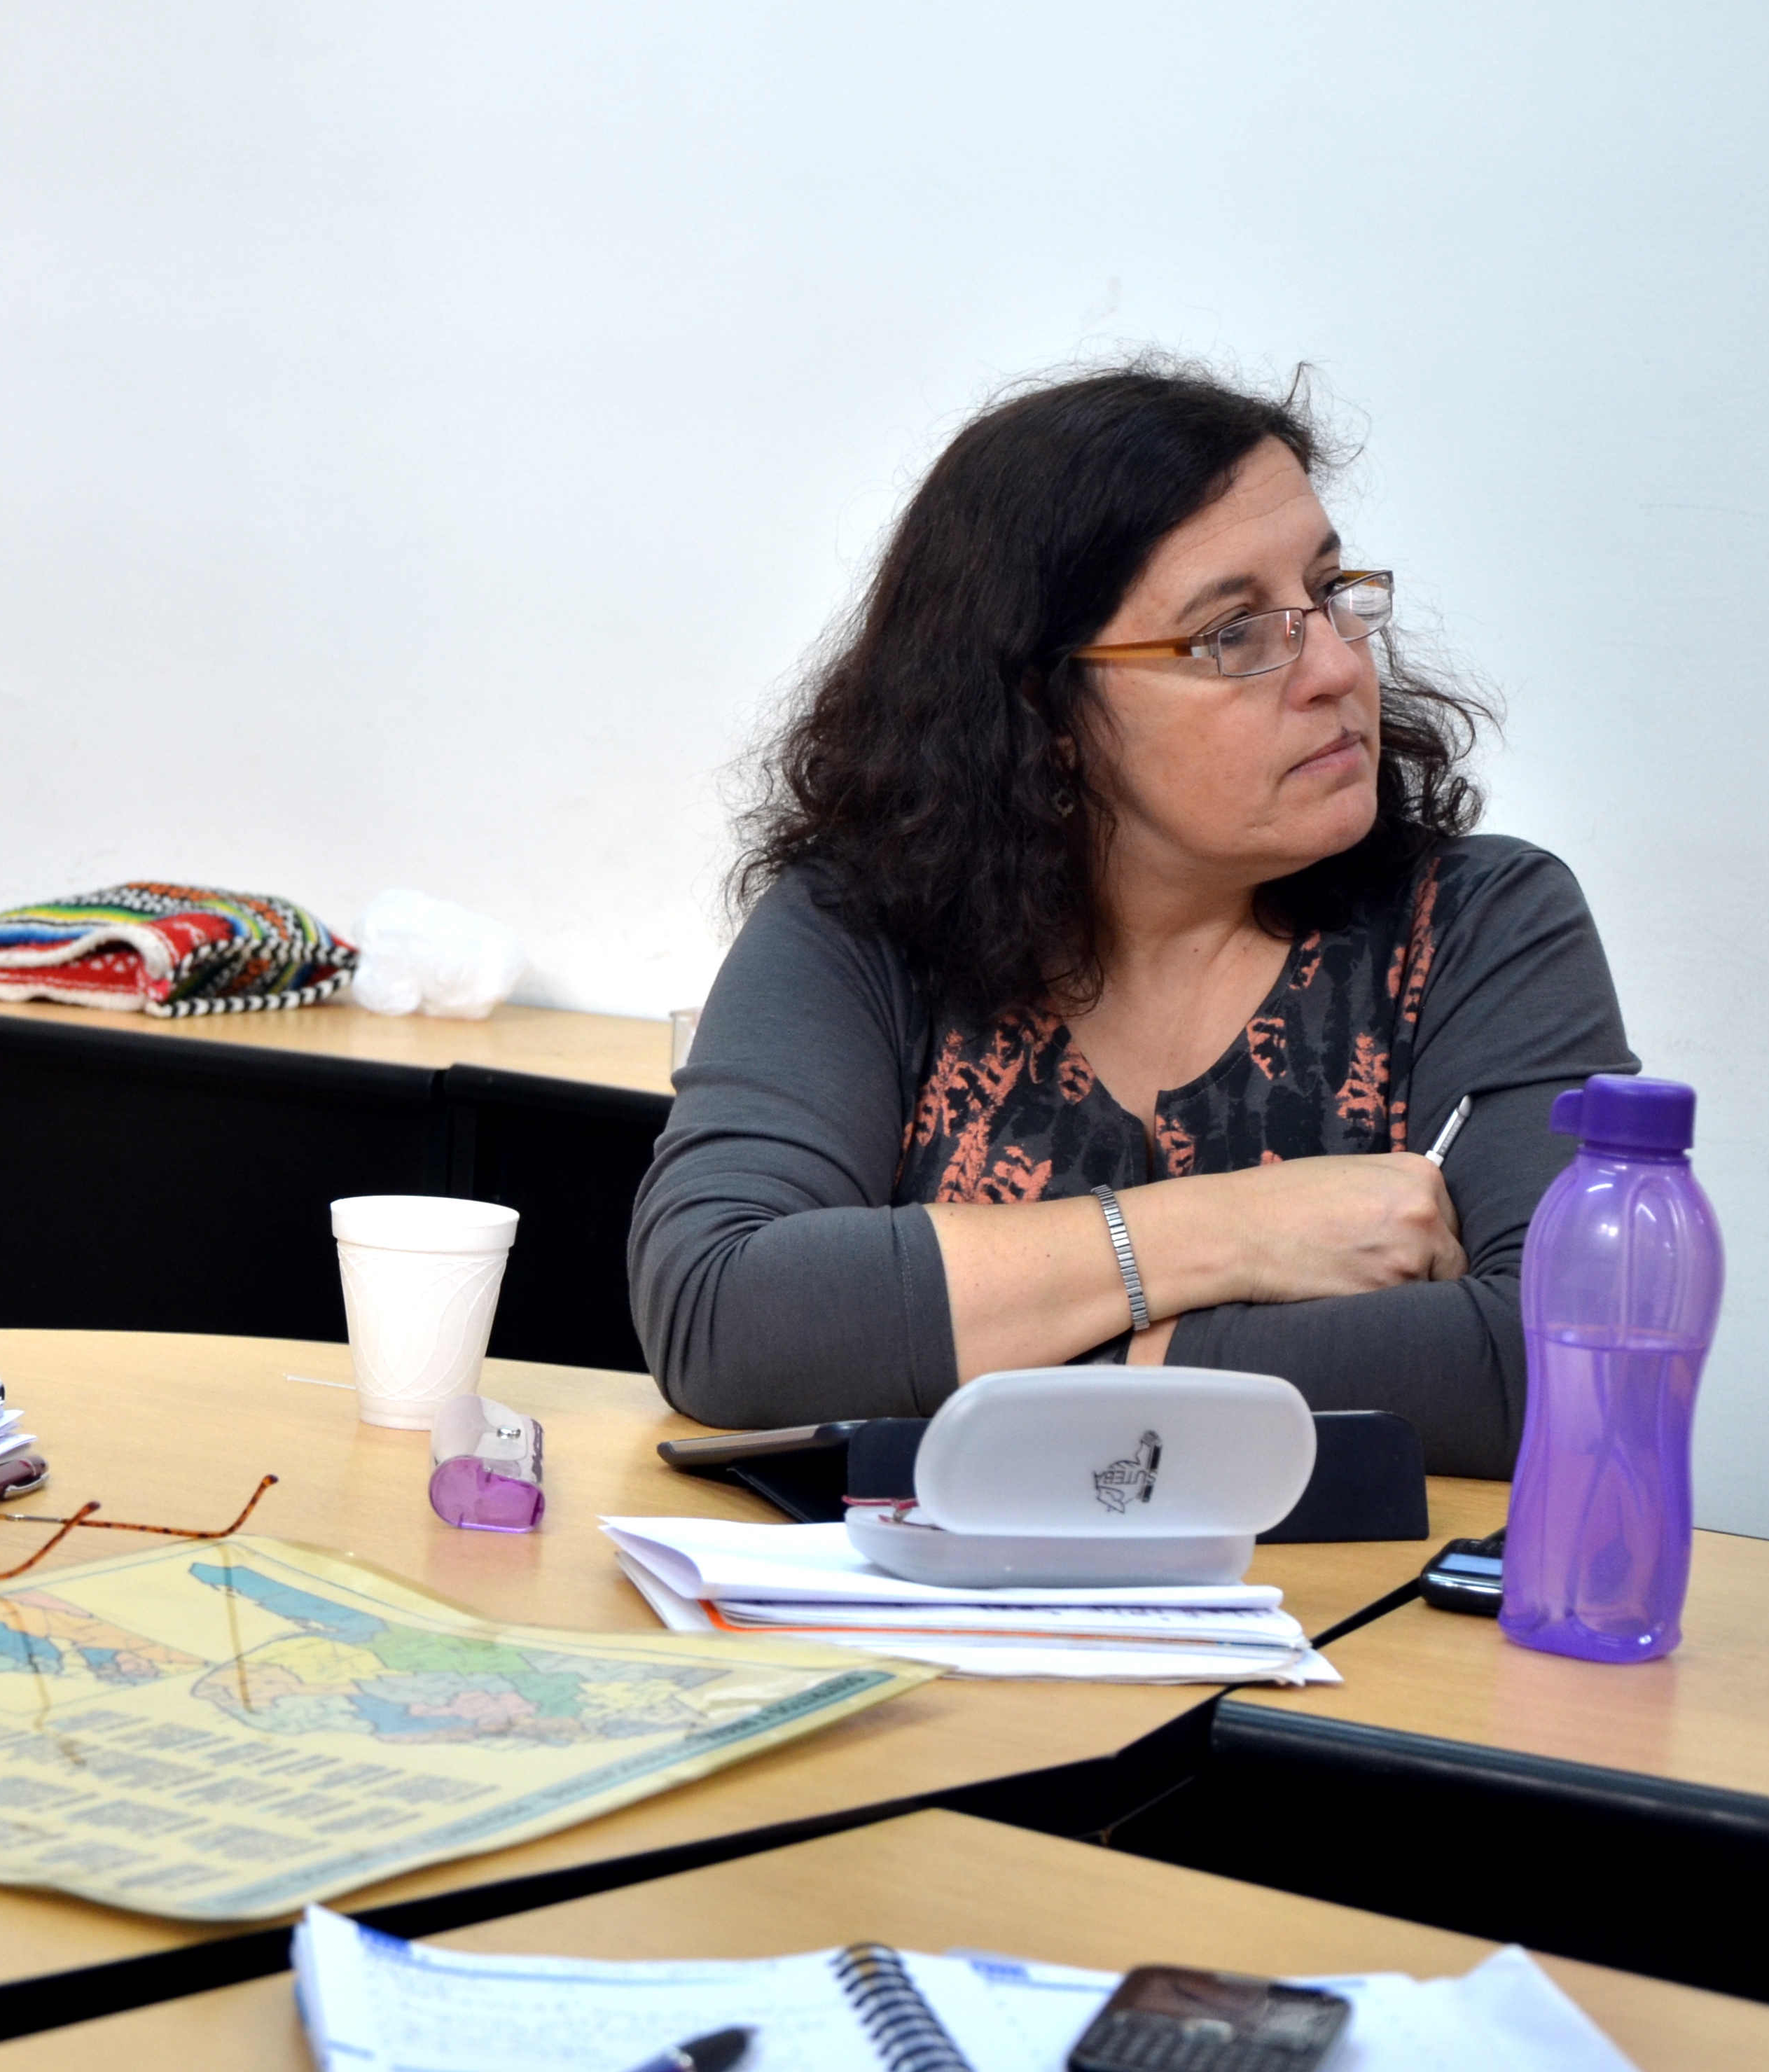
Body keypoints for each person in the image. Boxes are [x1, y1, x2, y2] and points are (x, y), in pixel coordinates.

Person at [630, 363, 1631, 1475]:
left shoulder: (1482, 925)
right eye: (1235, 632)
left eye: (1329, 590)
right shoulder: (865, 925)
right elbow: (724, 1315)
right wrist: (1239, 1232)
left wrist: (979, 1347)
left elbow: (1557, 1366)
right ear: (1044, 710)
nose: (1336, 666)